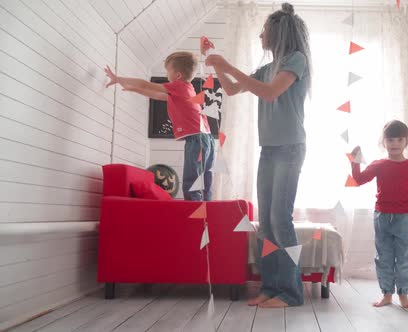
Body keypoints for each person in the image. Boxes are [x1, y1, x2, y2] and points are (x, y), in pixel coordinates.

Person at [205, 2, 311, 308]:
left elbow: (269, 92)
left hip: (291, 148)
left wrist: (227, 65)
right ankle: (270, 287)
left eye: (264, 30)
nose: (260, 34)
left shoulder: (296, 60)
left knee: (281, 219)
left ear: (277, 33)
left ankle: (290, 294)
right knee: (265, 223)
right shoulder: (266, 68)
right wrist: (217, 66)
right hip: (269, 150)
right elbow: (233, 89)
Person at [105, 52, 215, 201]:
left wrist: (119, 79)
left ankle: (194, 214)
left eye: (167, 71)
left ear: (177, 75)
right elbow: (157, 95)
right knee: (204, 179)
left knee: (191, 181)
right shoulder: (186, 89)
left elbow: (147, 85)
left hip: (197, 139)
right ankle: (207, 210)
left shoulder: (178, 86)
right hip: (206, 138)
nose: (166, 75)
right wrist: (133, 89)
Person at [350, 120, 408, 308]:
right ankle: (387, 294)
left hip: (404, 218)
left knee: (403, 257)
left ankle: (403, 294)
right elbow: (358, 179)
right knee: (384, 257)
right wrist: (354, 161)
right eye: (390, 140)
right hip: (382, 217)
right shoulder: (379, 164)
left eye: (399, 139)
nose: (395, 144)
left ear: (406, 142)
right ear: (383, 142)